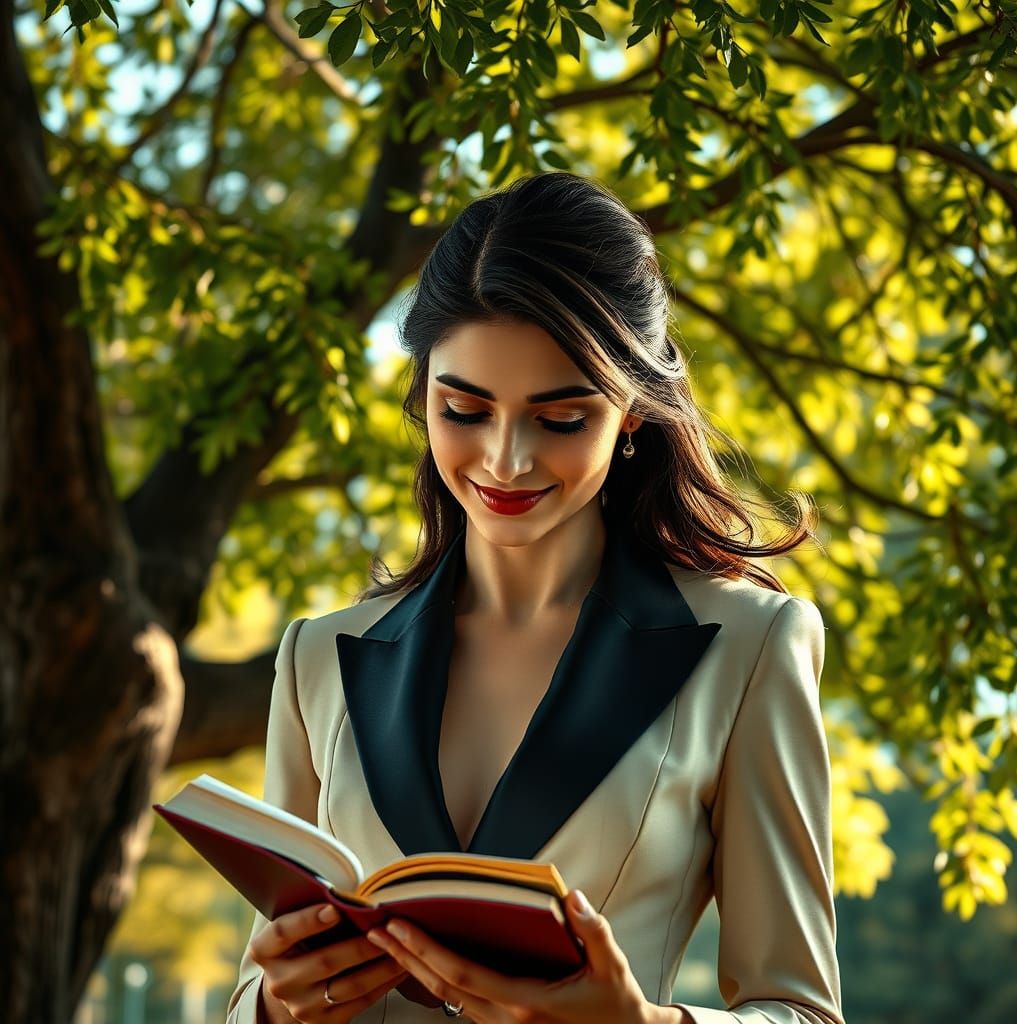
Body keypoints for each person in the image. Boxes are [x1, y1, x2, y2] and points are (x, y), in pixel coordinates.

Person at [225, 172, 845, 1024]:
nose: (506, 460)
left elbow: (801, 1010)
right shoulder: (317, 657)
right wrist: (269, 1006)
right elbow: (262, 979)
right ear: (422, 395)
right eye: (465, 409)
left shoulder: (748, 644)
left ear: (631, 412)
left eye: (560, 418)